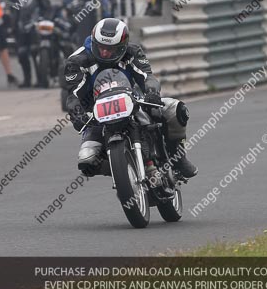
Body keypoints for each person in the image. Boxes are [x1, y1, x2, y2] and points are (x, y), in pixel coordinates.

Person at [62, 17, 197, 179]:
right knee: (87, 162)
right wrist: (77, 113)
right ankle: (124, 170)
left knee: (175, 109)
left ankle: (178, 159)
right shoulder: (77, 60)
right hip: (96, 115)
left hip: (133, 102)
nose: (104, 52)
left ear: (122, 46)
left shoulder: (132, 52)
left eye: (110, 49)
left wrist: (152, 92)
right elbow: (73, 94)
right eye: (100, 47)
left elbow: (148, 76)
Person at [14, 0, 54, 88]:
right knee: (21, 54)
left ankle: (41, 79)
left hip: (36, 27)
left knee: (35, 51)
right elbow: (15, 11)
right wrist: (13, 26)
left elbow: (48, 9)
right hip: (21, 28)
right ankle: (27, 80)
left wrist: (44, 20)